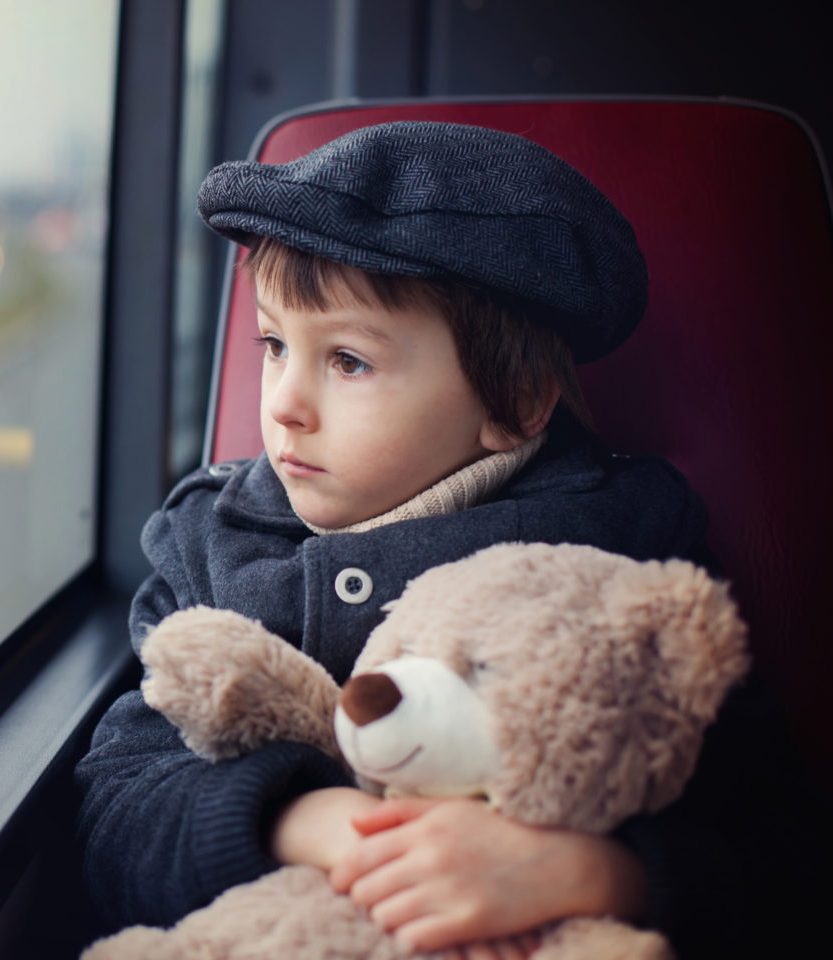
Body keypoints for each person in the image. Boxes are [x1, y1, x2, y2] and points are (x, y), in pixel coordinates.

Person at [75, 121, 819, 959]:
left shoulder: (624, 549)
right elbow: (119, 801)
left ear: (518, 404)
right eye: (276, 345)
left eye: (349, 362)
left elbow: (777, 844)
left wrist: (599, 873)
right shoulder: (214, 543)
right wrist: (307, 820)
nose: (283, 401)